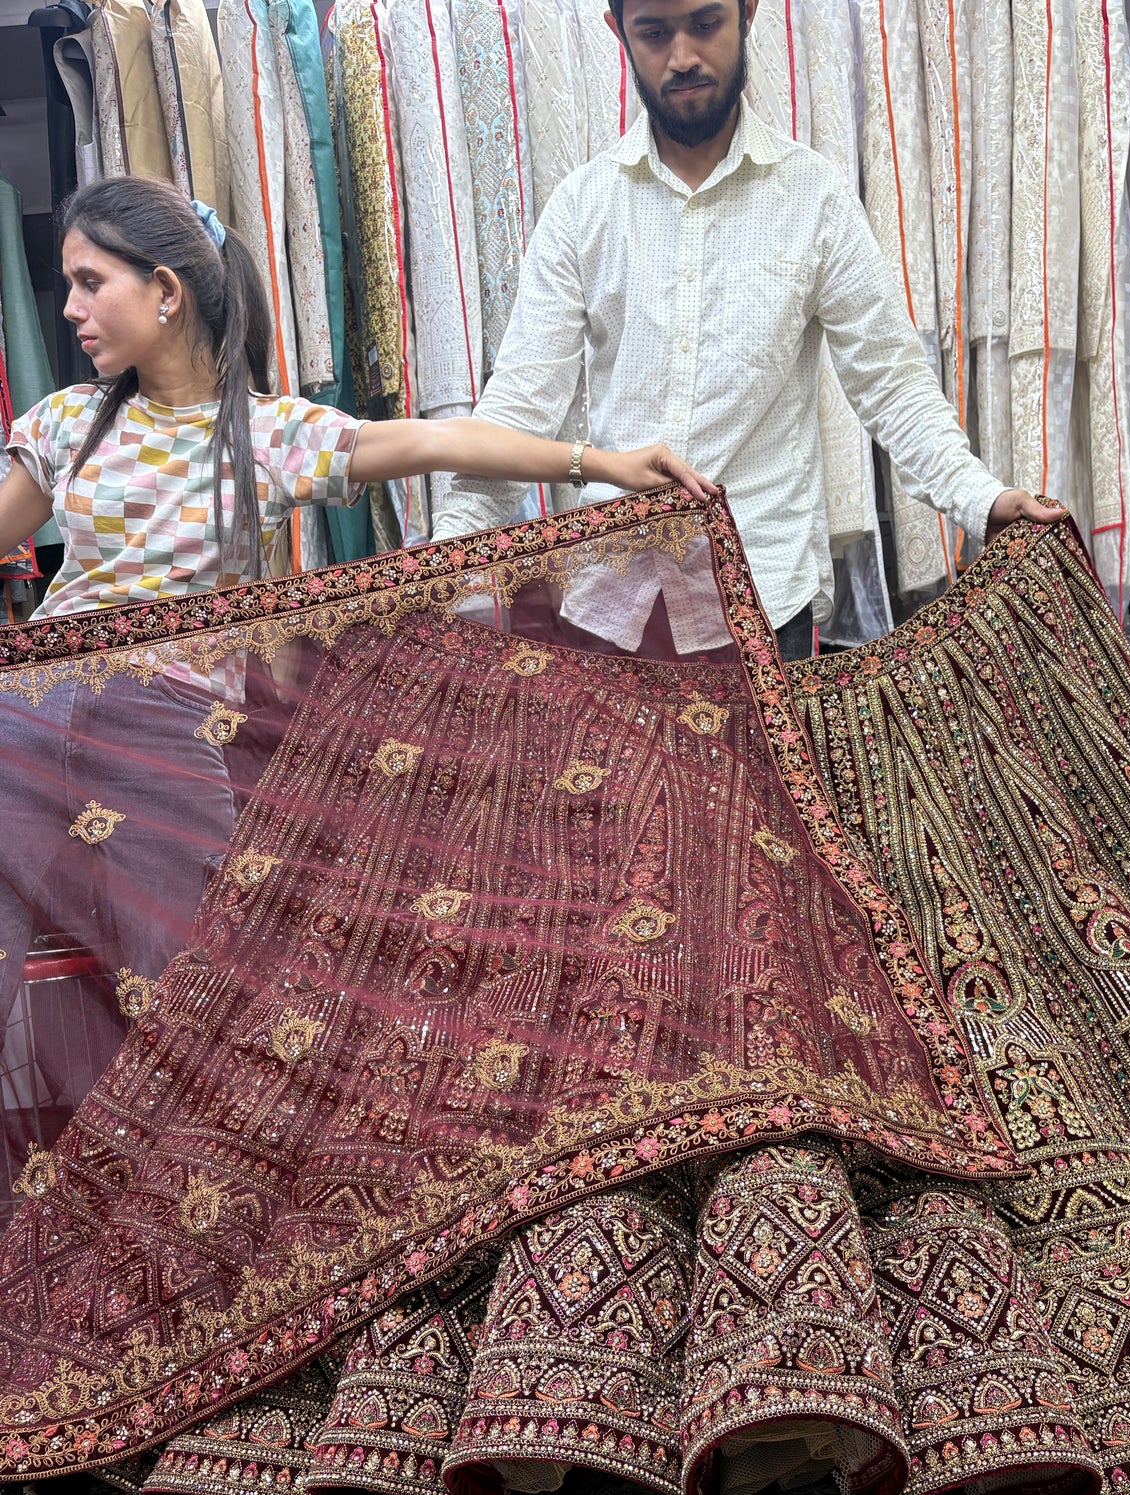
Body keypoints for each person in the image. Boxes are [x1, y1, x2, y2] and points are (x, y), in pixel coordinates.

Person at [0, 175, 711, 1050]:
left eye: (89, 281)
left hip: (164, 729)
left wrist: (601, 463)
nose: (68, 307)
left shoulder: (264, 437)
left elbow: (436, 439)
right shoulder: (69, 424)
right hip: (25, 719)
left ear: (167, 291)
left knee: (194, 985)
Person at [432, 0, 1067, 658]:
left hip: (762, 605)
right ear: (616, 32)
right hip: (606, 608)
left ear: (747, 13)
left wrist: (980, 498)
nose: (681, 58)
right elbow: (516, 411)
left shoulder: (813, 198)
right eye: (654, 33)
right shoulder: (580, 208)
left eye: (704, 24)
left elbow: (891, 384)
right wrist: (433, 572)